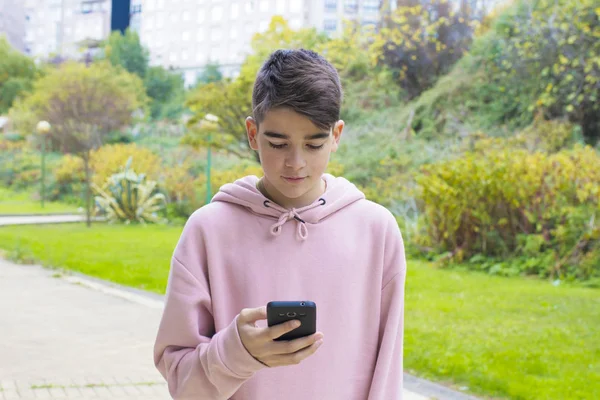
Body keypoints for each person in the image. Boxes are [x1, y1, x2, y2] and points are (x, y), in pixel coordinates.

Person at [153, 48, 407, 400]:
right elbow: (181, 383)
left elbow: (388, 373)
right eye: (278, 143)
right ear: (253, 133)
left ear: (336, 135)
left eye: (314, 144)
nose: (296, 163)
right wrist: (237, 352)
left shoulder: (376, 230)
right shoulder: (208, 231)